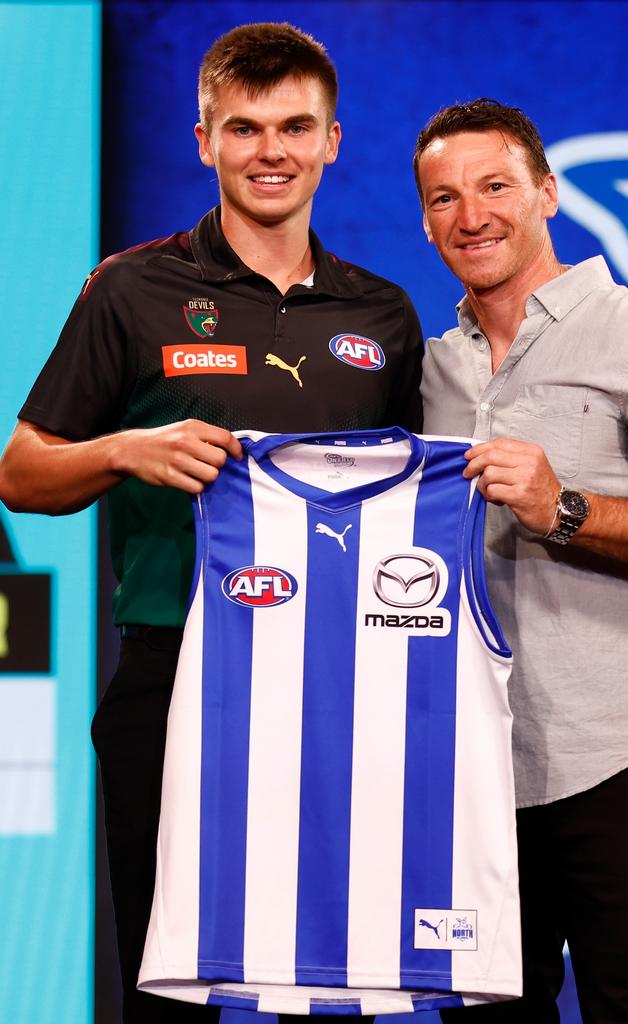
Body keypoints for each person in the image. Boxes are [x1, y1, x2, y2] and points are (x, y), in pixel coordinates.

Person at [0, 23, 422, 1023]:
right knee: (168, 982)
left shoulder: (386, 314)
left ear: (333, 141)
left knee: (338, 980)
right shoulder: (130, 288)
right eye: (244, 127)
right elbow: (20, 472)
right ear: (203, 140)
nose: (269, 151)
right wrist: (121, 451)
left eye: (293, 127)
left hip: (340, 687)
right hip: (173, 669)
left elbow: (417, 507)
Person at [413, 98, 628, 1023]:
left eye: (495, 187)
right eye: (444, 198)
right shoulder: (429, 372)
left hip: (621, 757)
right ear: (424, 220)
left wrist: (562, 507)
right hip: (472, 773)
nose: (471, 215)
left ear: (548, 195)